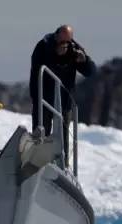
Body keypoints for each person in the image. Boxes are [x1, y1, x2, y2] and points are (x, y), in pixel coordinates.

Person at [29, 25, 96, 157]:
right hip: (43, 99)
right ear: (56, 35)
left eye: (68, 41)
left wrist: (84, 61)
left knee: (63, 138)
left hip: (64, 101)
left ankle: (63, 166)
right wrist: (56, 55)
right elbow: (38, 69)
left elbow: (91, 72)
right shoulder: (43, 46)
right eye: (62, 41)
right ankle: (37, 163)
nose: (65, 45)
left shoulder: (73, 48)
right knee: (41, 134)